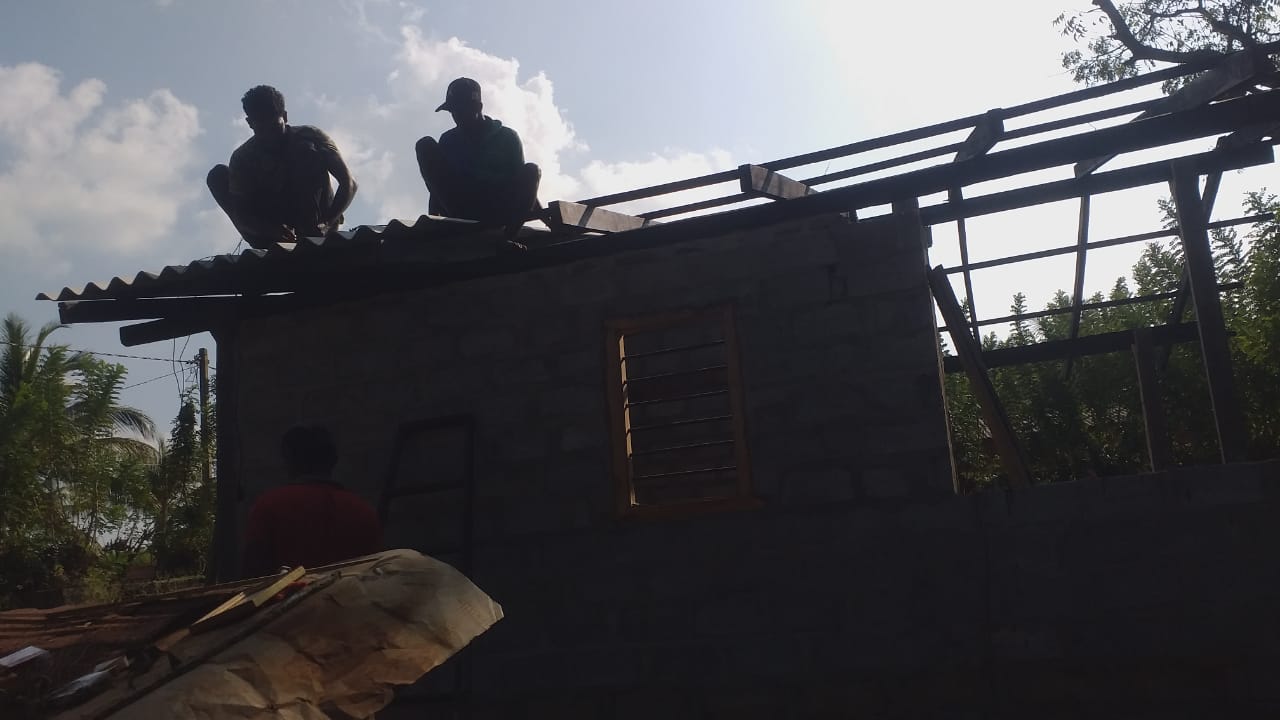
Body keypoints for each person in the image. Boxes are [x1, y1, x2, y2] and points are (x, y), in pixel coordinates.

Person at [207, 85, 358, 249]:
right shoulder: (242, 158)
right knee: (218, 176)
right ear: (250, 123)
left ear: (284, 117)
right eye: (261, 128)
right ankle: (271, 239)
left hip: (316, 222)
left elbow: (349, 183)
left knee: (305, 149)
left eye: (273, 126)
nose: (269, 135)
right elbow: (241, 213)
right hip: (273, 227)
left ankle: (311, 230)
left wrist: (326, 223)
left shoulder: (310, 136)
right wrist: (270, 230)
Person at [242, 425, 381, 577]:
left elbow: (253, 571)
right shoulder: (363, 510)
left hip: (290, 592)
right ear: (333, 460)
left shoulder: (270, 505)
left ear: (289, 460)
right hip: (350, 592)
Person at [415, 77, 542, 235]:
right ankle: (459, 228)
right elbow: (437, 186)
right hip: (462, 206)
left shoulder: (507, 137)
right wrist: (433, 222)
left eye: (461, 110)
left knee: (532, 170)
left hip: (499, 207)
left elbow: (524, 182)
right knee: (425, 144)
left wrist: (546, 217)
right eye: (453, 111)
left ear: (478, 107)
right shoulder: (448, 140)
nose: (456, 115)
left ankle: (507, 237)